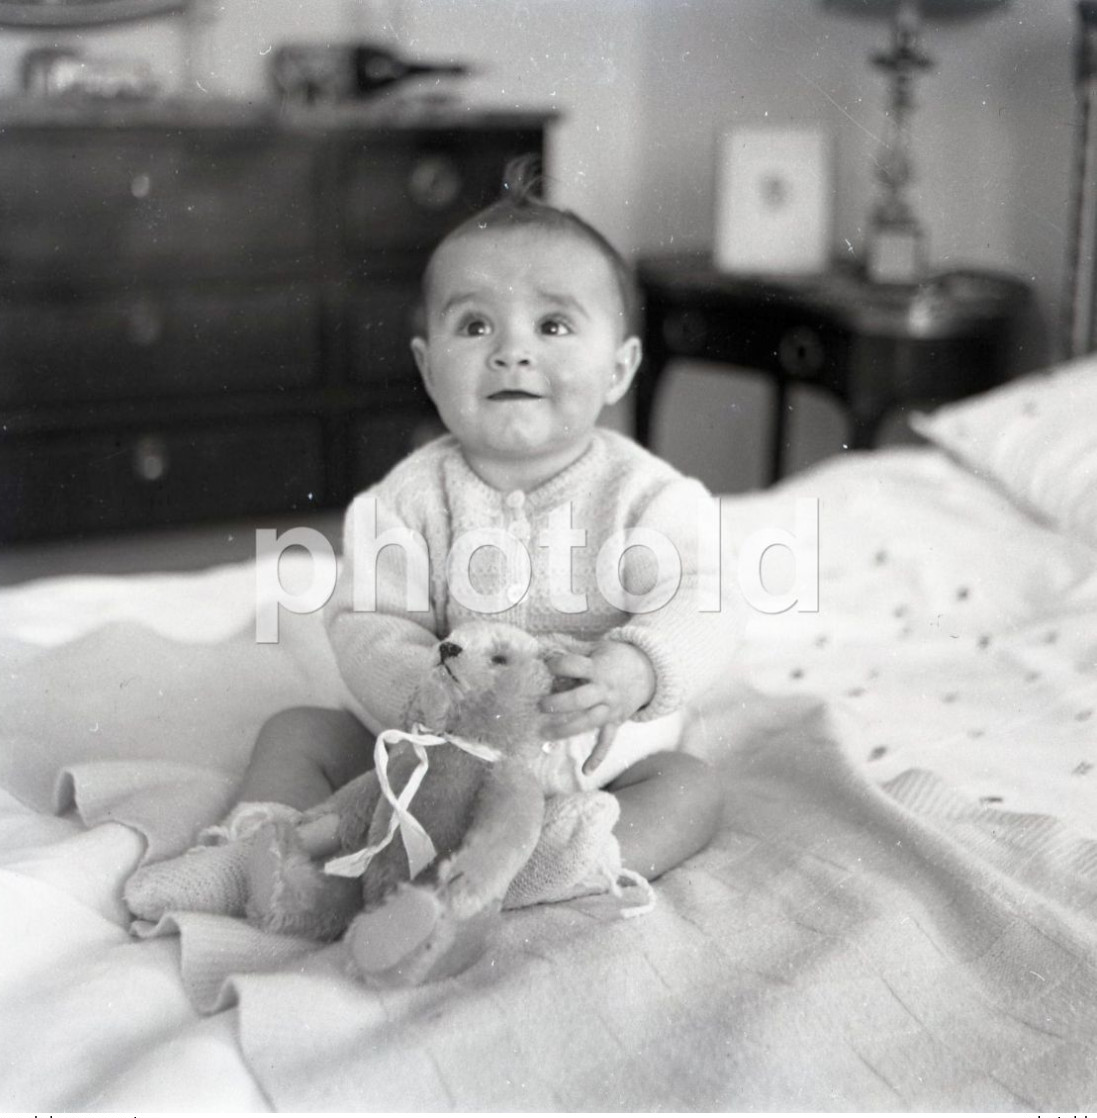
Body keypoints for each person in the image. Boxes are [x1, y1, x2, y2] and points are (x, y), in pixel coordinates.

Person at [126, 163, 744, 924]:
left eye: (552, 326)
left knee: (689, 786)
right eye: (475, 325)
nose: (511, 351)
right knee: (297, 732)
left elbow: (702, 598)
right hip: (431, 756)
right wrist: (424, 695)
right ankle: (262, 852)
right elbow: (368, 623)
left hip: (593, 755)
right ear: (427, 366)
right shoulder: (406, 500)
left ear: (618, 368)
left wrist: (635, 669)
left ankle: (543, 867)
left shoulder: (646, 496)